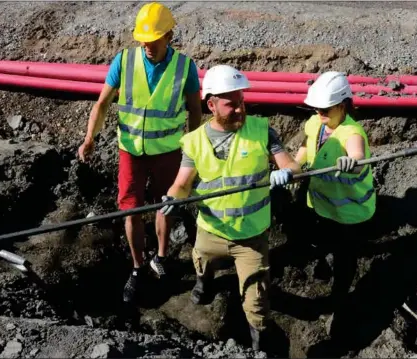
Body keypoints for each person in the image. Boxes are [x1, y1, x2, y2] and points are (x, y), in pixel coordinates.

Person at [159, 64, 302, 350]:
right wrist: (172, 198)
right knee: (202, 262)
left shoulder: (261, 130)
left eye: (241, 102)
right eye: (230, 105)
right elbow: (182, 184)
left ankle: (258, 346)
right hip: (211, 231)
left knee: (257, 301)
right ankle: (204, 283)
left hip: (251, 237)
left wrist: (287, 172)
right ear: (211, 104)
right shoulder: (194, 141)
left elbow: (293, 165)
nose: (239, 109)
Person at [77, 2, 203, 303]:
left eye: (154, 40)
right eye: (143, 40)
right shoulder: (124, 60)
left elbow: (195, 111)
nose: (147, 46)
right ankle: (137, 267)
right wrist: (89, 137)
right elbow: (103, 103)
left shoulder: (185, 67)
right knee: (130, 209)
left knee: (166, 204)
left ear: (169, 35)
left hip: (169, 150)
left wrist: (194, 147)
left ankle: (160, 257)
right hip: (130, 151)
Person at [292, 71, 376, 335]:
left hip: (349, 212)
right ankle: (322, 261)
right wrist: (294, 166)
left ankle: (340, 297)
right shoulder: (316, 123)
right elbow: (307, 145)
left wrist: (352, 161)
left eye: (325, 110)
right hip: (321, 204)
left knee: (345, 255)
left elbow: (356, 151)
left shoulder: (351, 131)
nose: (320, 114)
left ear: (342, 105)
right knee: (321, 237)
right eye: (317, 109)